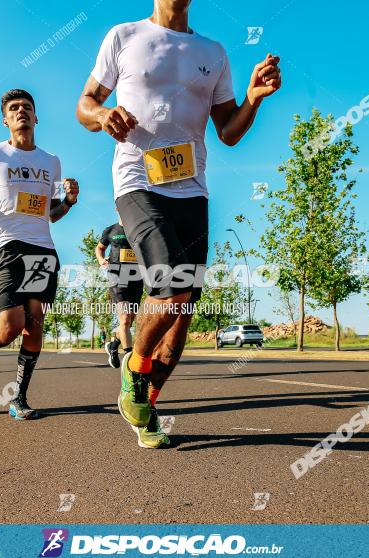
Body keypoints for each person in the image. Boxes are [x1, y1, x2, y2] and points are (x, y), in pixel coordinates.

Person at [76, 0, 281, 448]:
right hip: (137, 181)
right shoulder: (123, 36)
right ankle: (134, 366)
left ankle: (145, 409)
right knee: (173, 289)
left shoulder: (213, 52)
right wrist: (101, 115)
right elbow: (85, 103)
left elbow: (227, 131)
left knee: (179, 324)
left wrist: (253, 98)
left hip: (192, 190)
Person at [0, 88, 79, 420]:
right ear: (5, 119)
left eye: (27, 107)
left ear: (36, 116)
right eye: (14, 108)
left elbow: (51, 214)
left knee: (35, 323)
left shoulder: (51, 162)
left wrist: (69, 200)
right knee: (12, 324)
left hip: (43, 247)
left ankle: (19, 399)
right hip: (5, 245)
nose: (21, 112)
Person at [95, 217, 143, 369]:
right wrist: (101, 260)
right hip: (116, 276)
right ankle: (129, 361)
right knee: (125, 319)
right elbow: (99, 248)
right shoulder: (111, 230)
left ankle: (113, 345)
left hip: (136, 278)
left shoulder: (139, 228)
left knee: (129, 321)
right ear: (117, 208)